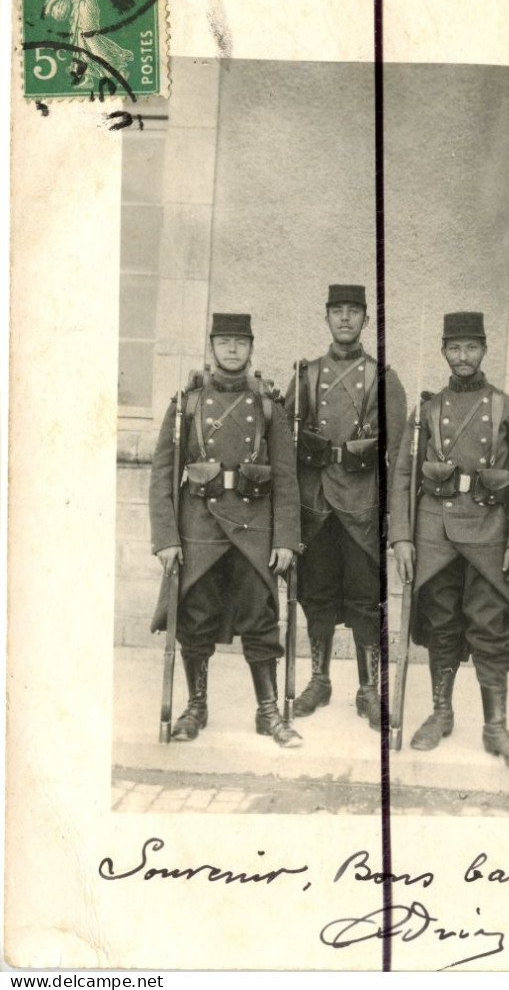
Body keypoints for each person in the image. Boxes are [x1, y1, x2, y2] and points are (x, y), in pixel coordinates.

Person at [390, 311, 509, 770]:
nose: (463, 357)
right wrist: (401, 538)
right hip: (435, 535)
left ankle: (495, 727)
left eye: (471, 347)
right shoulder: (426, 412)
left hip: (491, 535)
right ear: (443, 353)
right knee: (442, 626)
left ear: (484, 349)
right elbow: (402, 476)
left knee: (491, 628)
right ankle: (440, 713)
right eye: (454, 348)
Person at [149, 312, 302, 748]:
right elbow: (163, 475)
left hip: (254, 531)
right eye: (225, 342)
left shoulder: (270, 408)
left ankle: (268, 710)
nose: (232, 349)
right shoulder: (187, 404)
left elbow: (287, 480)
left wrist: (286, 539)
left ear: (251, 348)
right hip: (199, 528)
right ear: (211, 347)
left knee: (261, 620)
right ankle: (196, 706)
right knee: (194, 620)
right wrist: (166, 539)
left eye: (241, 342)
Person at [285, 284, 407, 730]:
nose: (344, 320)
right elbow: (284, 443)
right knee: (315, 596)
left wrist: (392, 517)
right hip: (317, 507)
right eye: (337, 311)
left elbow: (398, 456)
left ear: (365, 321)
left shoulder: (384, 378)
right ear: (326, 318)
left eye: (353, 312)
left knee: (364, 600)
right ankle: (319, 680)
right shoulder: (306, 374)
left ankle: (369, 689)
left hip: (361, 507)